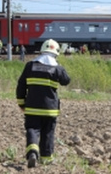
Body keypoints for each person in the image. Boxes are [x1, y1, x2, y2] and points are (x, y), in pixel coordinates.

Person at [16, 39, 71, 168]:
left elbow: (21, 85)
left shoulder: (30, 66)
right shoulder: (57, 68)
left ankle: (32, 152)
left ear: (41, 51)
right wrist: (59, 68)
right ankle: (46, 159)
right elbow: (66, 81)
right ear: (55, 53)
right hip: (50, 109)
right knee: (48, 133)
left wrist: (21, 102)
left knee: (32, 129)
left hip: (32, 107)